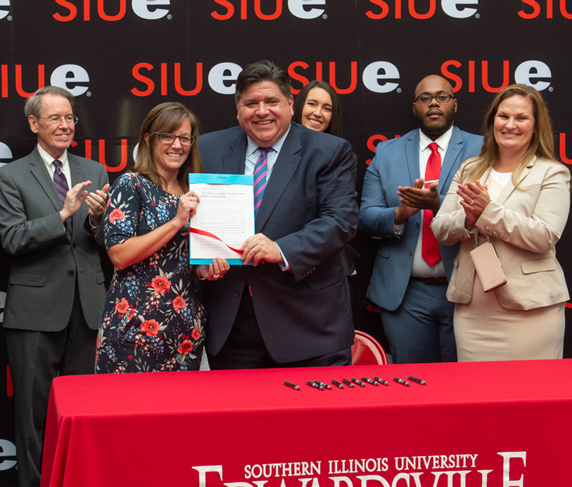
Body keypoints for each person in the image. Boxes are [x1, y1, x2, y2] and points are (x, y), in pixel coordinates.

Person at [0, 85, 110, 487]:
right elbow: (11, 239)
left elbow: (107, 243)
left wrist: (97, 220)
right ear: (34, 124)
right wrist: (62, 215)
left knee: (84, 411)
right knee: (34, 411)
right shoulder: (10, 176)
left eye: (70, 118)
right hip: (36, 309)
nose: (65, 126)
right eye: (56, 118)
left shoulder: (95, 170)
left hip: (88, 306)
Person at [197, 60, 358, 369]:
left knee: (314, 419)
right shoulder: (208, 148)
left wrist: (281, 249)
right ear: (237, 109)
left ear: (290, 104)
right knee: (237, 418)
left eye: (271, 101)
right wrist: (200, 261)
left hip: (308, 326)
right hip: (232, 329)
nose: (262, 111)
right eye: (251, 103)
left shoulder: (328, 150)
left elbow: (341, 221)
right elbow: (193, 217)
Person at [430, 84, 570, 362]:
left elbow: (544, 236)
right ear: (492, 119)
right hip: (472, 315)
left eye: (521, 118)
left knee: (530, 398)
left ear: (535, 124)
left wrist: (487, 213)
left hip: (530, 311)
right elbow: (441, 229)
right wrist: (468, 220)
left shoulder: (552, 172)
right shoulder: (470, 169)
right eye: (503, 116)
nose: (510, 125)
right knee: (477, 397)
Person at [359, 74, 483, 363]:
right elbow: (365, 217)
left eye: (442, 96)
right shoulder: (387, 152)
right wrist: (400, 214)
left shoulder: (482, 149)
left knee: (466, 386)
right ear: (415, 107)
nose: (434, 104)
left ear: (455, 103)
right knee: (413, 386)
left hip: (466, 290)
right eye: (425, 98)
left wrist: (439, 205)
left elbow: (495, 214)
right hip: (405, 295)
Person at [95, 103, 228, 373]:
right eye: (167, 136)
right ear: (148, 139)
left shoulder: (196, 192)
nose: (177, 145)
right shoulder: (131, 184)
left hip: (185, 333)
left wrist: (206, 269)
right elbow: (119, 256)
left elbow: (186, 262)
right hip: (133, 333)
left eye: (184, 138)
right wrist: (177, 221)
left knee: (183, 414)